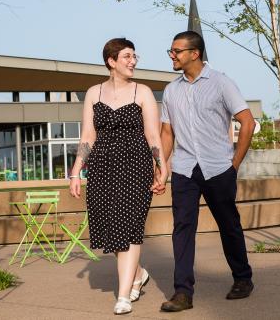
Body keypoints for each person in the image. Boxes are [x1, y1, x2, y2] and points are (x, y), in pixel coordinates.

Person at [69, 37, 167, 315]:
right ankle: (137, 273)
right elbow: (88, 135)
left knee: (130, 226)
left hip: (135, 165)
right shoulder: (93, 93)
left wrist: (161, 166)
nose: (133, 61)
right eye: (126, 56)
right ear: (111, 61)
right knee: (109, 228)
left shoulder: (143, 92)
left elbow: (152, 135)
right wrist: (76, 170)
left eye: (134, 56)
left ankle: (123, 295)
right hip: (101, 167)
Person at [158, 31, 255, 312]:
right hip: (185, 170)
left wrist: (234, 164)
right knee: (182, 229)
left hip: (218, 168)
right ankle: (182, 293)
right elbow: (167, 132)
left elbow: (246, 122)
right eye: (171, 50)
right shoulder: (171, 90)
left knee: (229, 225)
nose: (172, 55)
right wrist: (162, 169)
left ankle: (242, 278)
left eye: (176, 51)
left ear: (194, 53)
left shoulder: (221, 83)